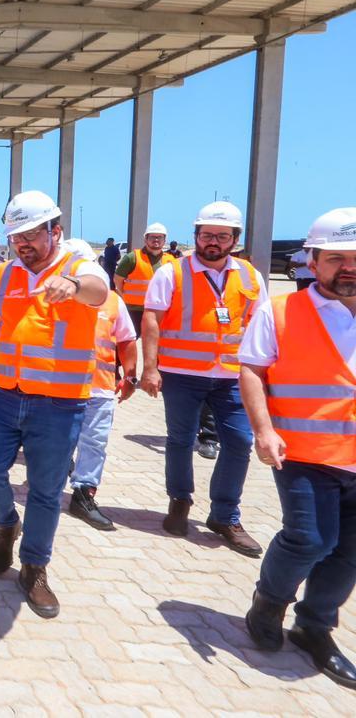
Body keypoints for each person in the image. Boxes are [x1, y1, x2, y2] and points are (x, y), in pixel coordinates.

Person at [0, 191, 109, 618]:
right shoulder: (5, 275)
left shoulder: (79, 267)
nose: (23, 245)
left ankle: (34, 567)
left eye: (31, 235)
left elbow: (98, 291)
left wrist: (74, 286)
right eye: (16, 238)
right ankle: (6, 522)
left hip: (59, 405)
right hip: (5, 396)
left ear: (55, 230)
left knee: (46, 492)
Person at [240, 207, 356, 690]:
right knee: (310, 539)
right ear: (311, 260)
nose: (348, 268)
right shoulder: (281, 311)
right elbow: (251, 369)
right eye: (336, 259)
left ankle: (314, 626)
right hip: (303, 452)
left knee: (349, 550)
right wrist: (264, 430)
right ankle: (268, 603)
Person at [140, 201, 267, 556]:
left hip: (232, 377)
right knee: (180, 441)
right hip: (181, 374)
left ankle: (225, 515)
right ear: (196, 235)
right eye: (207, 234)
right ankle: (179, 500)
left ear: (234, 240)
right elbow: (152, 319)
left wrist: (264, 373)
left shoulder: (249, 275)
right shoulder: (172, 272)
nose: (214, 241)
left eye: (222, 236)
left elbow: (261, 324)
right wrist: (150, 368)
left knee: (240, 442)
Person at [63, 239, 137, 531]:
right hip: (60, 387)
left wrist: (130, 376)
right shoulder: (55, 298)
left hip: (100, 387)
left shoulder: (112, 301)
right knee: (56, 443)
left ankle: (83, 493)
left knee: (94, 443)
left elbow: (127, 341)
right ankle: (47, 487)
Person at [115, 222, 177, 337]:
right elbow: (118, 280)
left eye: (160, 237)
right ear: (146, 239)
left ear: (165, 240)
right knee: (126, 343)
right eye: (153, 237)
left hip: (160, 311)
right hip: (133, 310)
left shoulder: (171, 260)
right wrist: (124, 299)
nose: (156, 240)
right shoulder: (132, 257)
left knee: (159, 346)